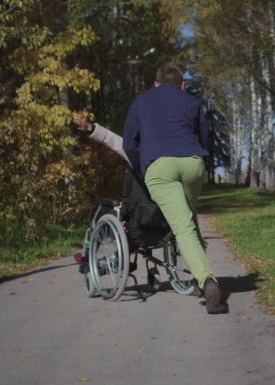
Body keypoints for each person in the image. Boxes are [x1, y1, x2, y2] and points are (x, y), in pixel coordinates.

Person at [73, 64, 228, 314]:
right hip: (193, 162)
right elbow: (205, 138)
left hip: (159, 169)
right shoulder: (191, 101)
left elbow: (124, 143)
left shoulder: (142, 102)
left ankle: (207, 281)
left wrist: (142, 164)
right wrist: (200, 160)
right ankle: (202, 276)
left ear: (155, 84)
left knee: (183, 227)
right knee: (189, 220)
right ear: (182, 85)